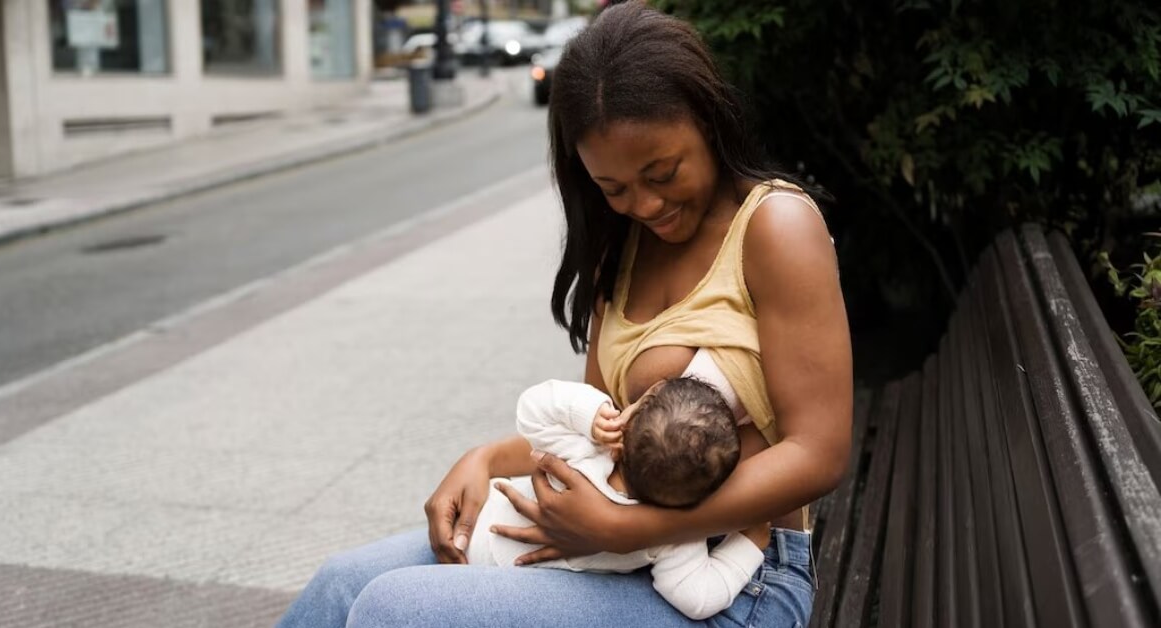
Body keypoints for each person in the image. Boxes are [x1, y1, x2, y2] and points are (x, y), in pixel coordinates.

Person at [276, 2, 852, 627]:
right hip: (611, 544)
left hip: (736, 577)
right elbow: (596, 432)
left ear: (709, 124)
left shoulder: (774, 226)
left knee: (396, 610)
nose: (645, 204)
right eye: (614, 188)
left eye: (662, 172)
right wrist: (487, 461)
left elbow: (817, 453)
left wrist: (636, 525)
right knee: (342, 586)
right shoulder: (623, 251)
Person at [469, 376, 770, 620]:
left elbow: (531, 409)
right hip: (505, 581)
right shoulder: (669, 538)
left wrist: (592, 414)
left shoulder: (587, 450)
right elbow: (698, 599)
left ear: (624, 429)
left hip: (477, 522)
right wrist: (750, 543)